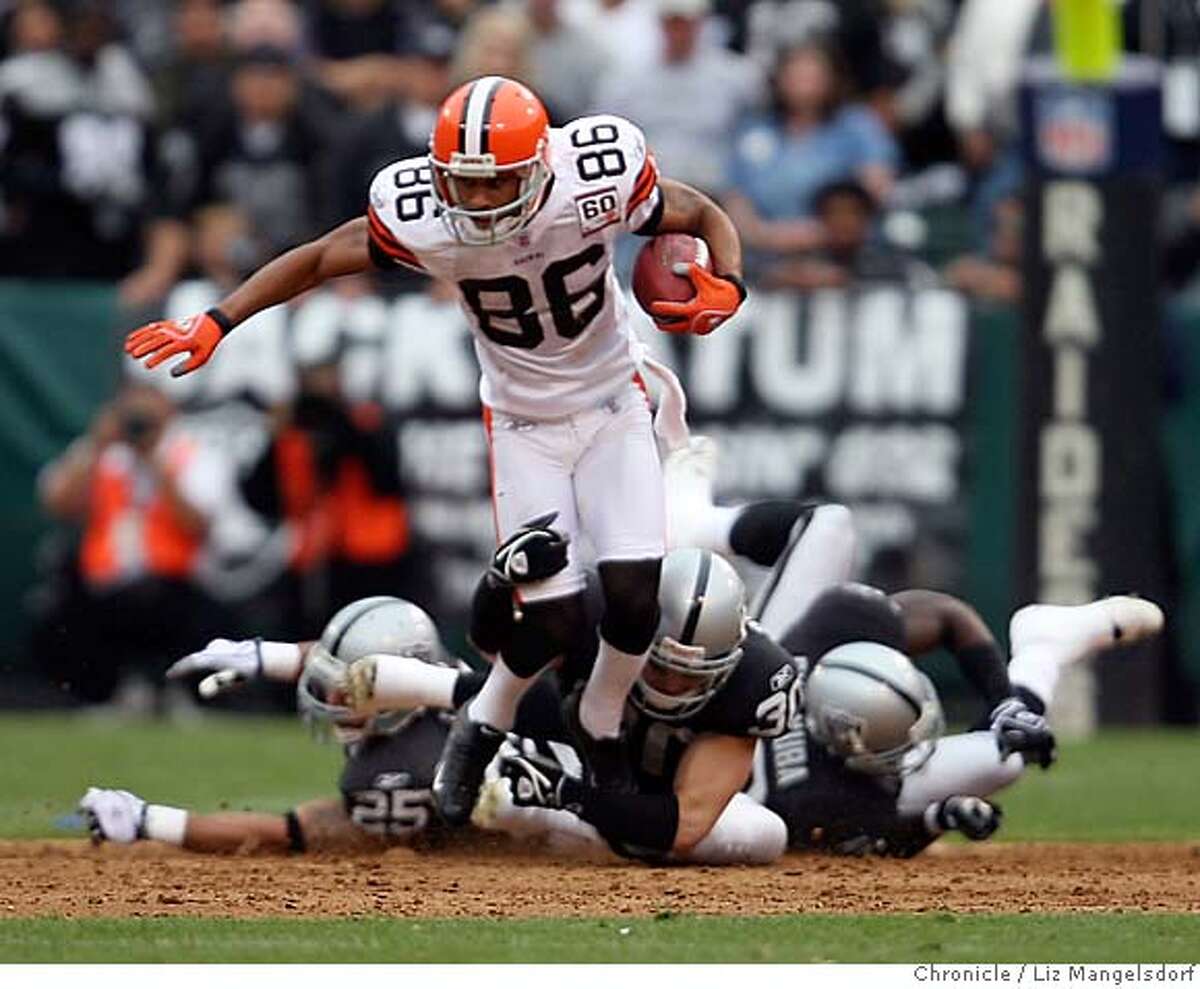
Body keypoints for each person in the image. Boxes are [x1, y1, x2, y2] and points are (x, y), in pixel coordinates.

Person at [122, 75, 748, 828]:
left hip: (614, 402)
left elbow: (703, 212)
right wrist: (219, 320)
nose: (477, 203)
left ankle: (603, 727)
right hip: (522, 423)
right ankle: (481, 728)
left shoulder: (595, 172)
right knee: (555, 615)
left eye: (495, 186)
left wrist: (730, 283)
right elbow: (323, 257)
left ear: (541, 167)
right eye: (464, 184)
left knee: (637, 595)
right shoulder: (423, 214)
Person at [79, 594, 573, 852]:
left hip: (605, 836)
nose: (336, 695)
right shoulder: (447, 684)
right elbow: (369, 668)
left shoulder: (401, 769)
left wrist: (150, 821)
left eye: (353, 688)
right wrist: (266, 655)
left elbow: (289, 833)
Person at [36, 382, 233, 706]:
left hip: (176, 586)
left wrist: (155, 462)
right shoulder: (103, 454)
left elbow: (198, 522)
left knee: (185, 614)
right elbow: (58, 503)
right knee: (63, 619)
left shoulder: (190, 451)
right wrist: (96, 446)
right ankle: (106, 695)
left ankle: (180, 693)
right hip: (106, 586)